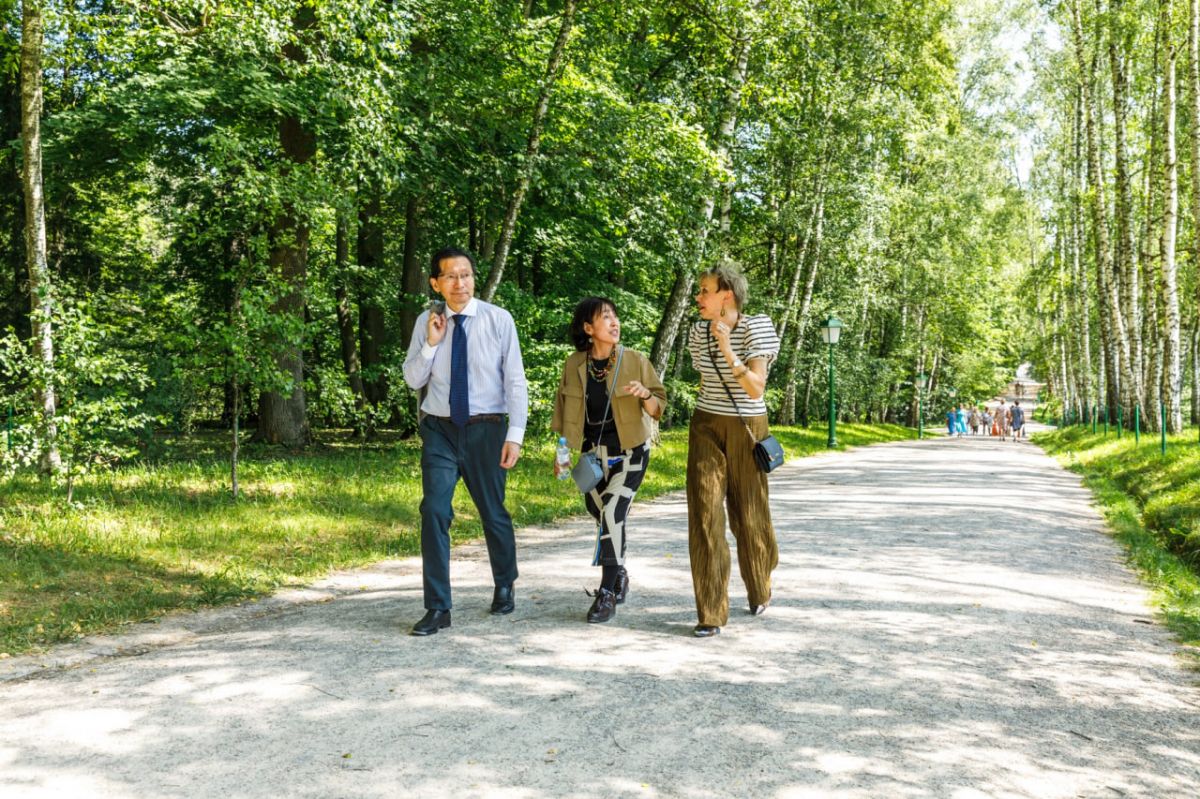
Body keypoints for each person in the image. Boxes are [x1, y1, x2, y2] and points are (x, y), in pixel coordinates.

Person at [402, 246, 528, 636]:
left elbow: (515, 381)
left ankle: (504, 581)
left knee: (493, 511)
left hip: (487, 429)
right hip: (440, 430)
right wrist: (431, 343)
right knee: (434, 511)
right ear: (436, 283)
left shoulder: (498, 319)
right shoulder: (427, 321)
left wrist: (515, 435)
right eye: (451, 276)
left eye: (466, 275)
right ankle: (438, 607)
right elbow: (412, 379)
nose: (460, 283)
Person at [551, 297, 666, 624]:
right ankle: (620, 573)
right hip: (592, 457)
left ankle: (607, 593)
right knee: (598, 511)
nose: (614, 322)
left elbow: (659, 405)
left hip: (631, 453)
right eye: (605, 317)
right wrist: (562, 455)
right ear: (588, 328)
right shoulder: (574, 365)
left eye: (615, 316)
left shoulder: (635, 360)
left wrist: (645, 395)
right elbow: (563, 412)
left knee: (613, 514)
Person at [686, 263, 781, 638]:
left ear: (726, 295)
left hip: (747, 427)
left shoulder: (757, 327)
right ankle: (711, 612)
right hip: (706, 424)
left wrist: (727, 348)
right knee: (705, 513)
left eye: (704, 290)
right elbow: (706, 381)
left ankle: (759, 585)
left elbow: (756, 388)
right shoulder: (698, 331)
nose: (698, 297)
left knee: (749, 514)